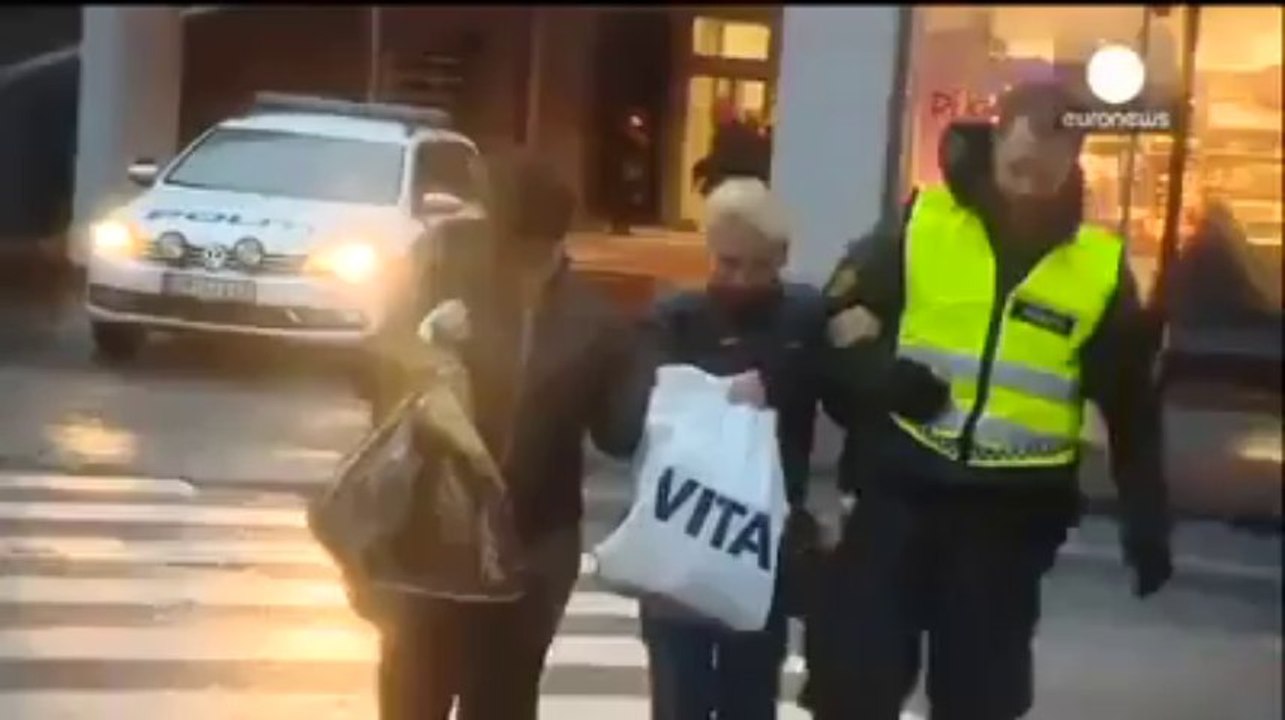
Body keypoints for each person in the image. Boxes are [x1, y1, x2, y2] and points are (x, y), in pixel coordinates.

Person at [818, 82, 1174, 719]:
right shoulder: (924, 222)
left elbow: (1128, 404)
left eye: (1048, 171)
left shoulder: (1097, 267)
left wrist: (1146, 515)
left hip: (1008, 516)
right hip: (900, 486)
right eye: (1019, 169)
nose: (1030, 188)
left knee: (980, 699)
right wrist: (881, 377)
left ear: (1076, 159)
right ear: (995, 143)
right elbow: (841, 312)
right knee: (855, 680)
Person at [376, 153, 653, 720]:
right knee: (414, 693)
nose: (513, 265)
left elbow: (618, 434)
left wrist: (654, 378)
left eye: (528, 252)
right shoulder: (445, 263)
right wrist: (424, 338)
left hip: (533, 540)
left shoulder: (592, 321)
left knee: (502, 698)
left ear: (554, 244)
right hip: (431, 532)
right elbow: (376, 361)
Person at [642, 177, 839, 720]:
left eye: (758, 265)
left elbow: (840, 386)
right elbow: (639, 402)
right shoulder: (676, 318)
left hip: (762, 542)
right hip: (680, 534)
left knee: (749, 696)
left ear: (780, 259)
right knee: (680, 698)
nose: (741, 279)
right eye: (729, 263)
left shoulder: (805, 318)